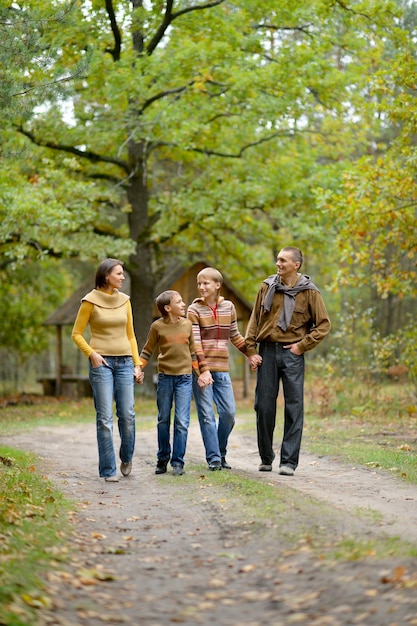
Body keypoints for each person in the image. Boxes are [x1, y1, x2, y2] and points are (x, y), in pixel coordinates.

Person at [245, 246, 331, 475]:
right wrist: (251, 350)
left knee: (294, 407)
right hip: (267, 352)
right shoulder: (267, 287)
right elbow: (255, 320)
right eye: (277, 260)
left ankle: (288, 462)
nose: (278, 264)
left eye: (283, 260)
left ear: (296, 265)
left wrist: (302, 346)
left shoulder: (309, 291)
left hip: (292, 354)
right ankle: (266, 457)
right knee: (263, 407)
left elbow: (323, 325)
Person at [72, 258, 143, 483]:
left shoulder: (125, 300)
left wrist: (137, 364)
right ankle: (108, 469)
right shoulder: (89, 301)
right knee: (104, 417)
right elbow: (76, 333)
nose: (123, 277)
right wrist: (91, 353)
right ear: (106, 276)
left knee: (128, 414)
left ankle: (126, 456)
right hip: (101, 363)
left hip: (125, 363)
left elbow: (131, 335)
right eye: (119, 273)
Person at [187, 267, 247, 471]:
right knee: (206, 415)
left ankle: (220, 452)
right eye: (199, 283)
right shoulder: (193, 310)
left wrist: (252, 353)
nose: (201, 287)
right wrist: (202, 371)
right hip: (201, 372)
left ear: (217, 285)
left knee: (229, 413)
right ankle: (214, 459)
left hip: (222, 370)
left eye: (206, 283)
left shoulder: (229, 307)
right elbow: (195, 344)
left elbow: (235, 335)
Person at [137, 290, 198, 476]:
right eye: (179, 302)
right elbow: (147, 350)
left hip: (185, 378)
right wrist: (138, 367)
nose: (183, 304)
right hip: (165, 378)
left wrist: (201, 373)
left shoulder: (188, 325)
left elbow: (194, 351)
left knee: (182, 421)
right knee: (163, 419)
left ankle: (178, 461)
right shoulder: (157, 327)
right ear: (168, 308)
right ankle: (162, 458)